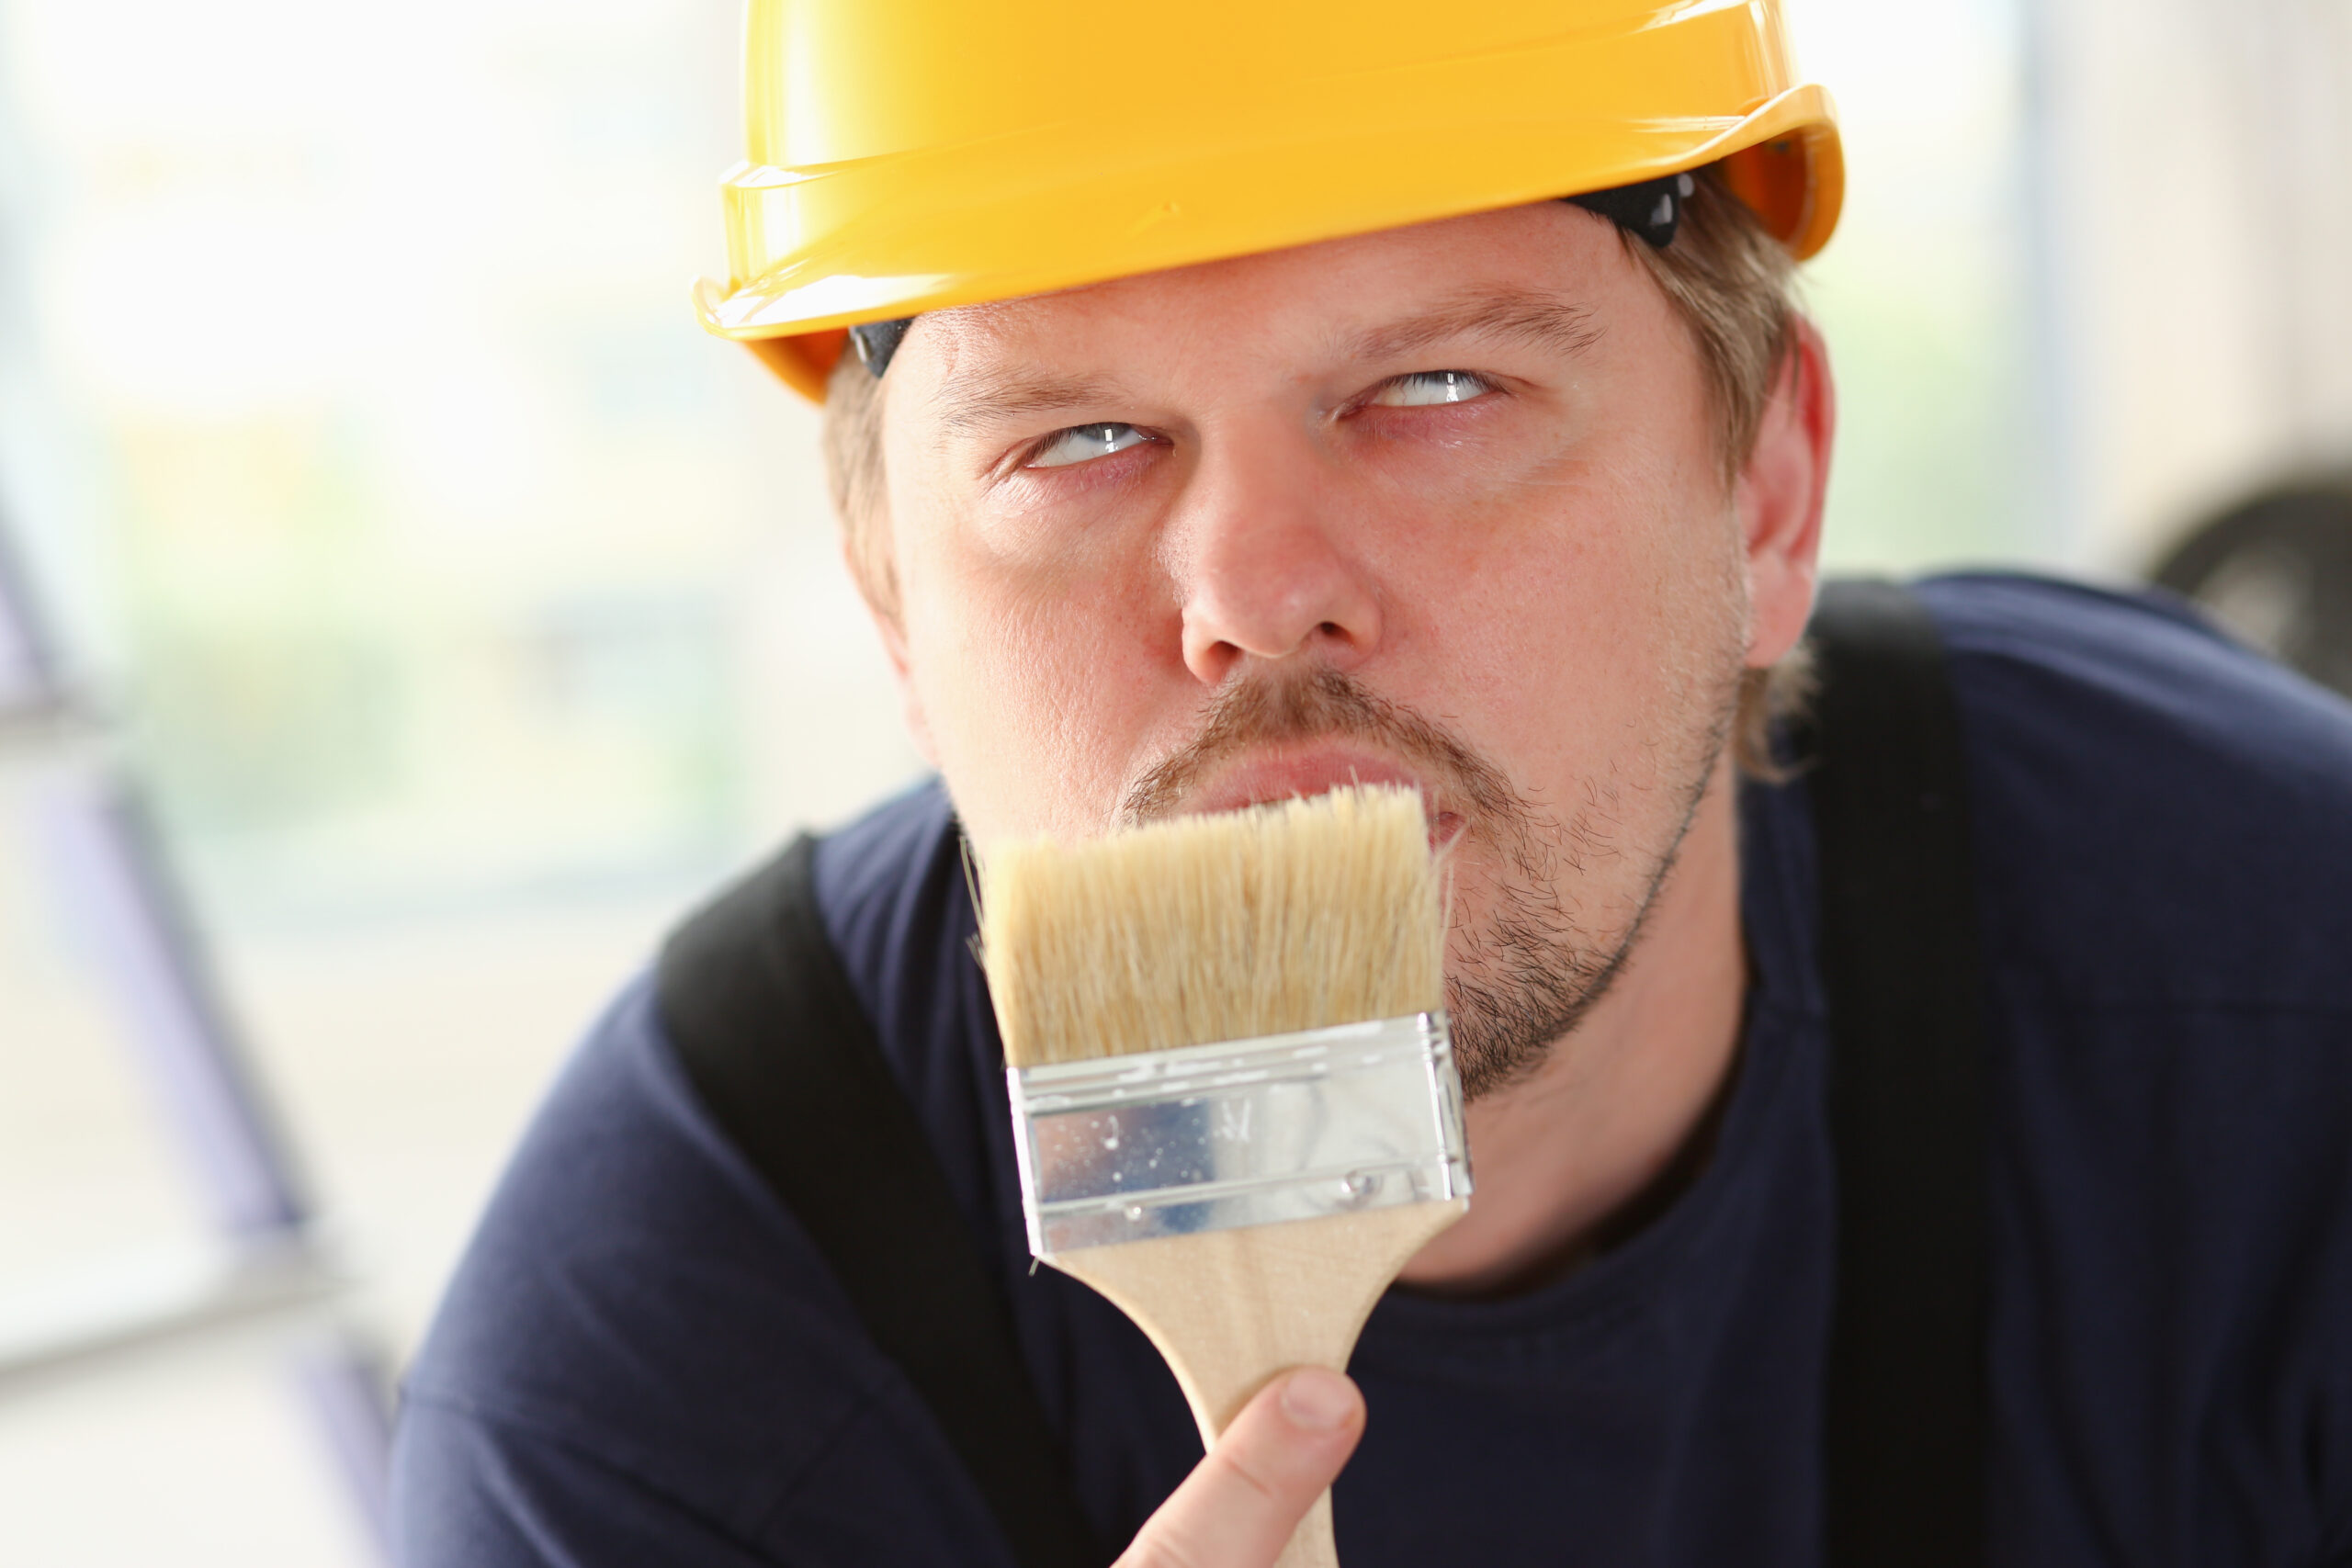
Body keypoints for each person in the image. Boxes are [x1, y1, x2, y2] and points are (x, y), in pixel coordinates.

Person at [387, 2, 2352, 1563]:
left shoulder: (2283, 1002)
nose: (1250, 595)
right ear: (895, 605)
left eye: (1433, 390)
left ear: (1764, 494)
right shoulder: (671, 1379)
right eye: (1074, 441)